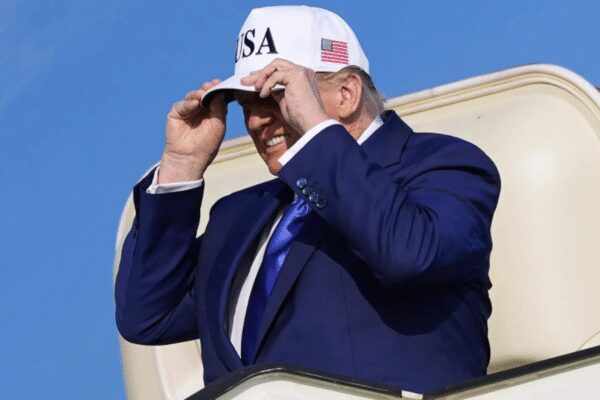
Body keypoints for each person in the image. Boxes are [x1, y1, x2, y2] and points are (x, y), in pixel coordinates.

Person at [115, 5, 500, 394]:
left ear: (347, 94)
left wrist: (315, 129)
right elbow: (146, 317)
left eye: (276, 95)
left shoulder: (443, 165)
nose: (255, 121)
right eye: (246, 105)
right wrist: (181, 164)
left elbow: (407, 254)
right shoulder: (238, 215)